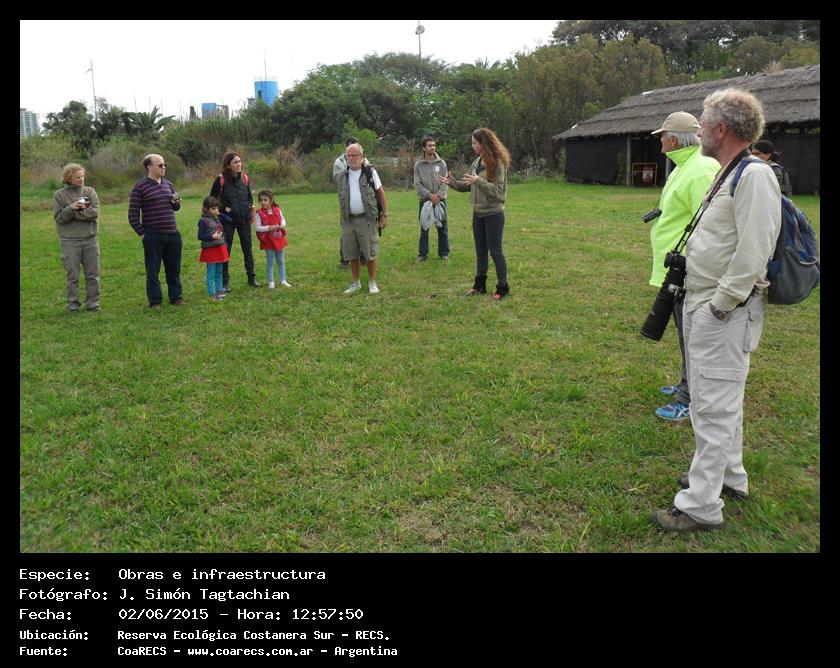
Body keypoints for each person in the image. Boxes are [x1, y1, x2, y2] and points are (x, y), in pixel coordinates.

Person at [652, 88, 781, 532]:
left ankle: (700, 505)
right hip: (708, 301)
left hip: (723, 310)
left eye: (703, 124)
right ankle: (729, 476)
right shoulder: (731, 171)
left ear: (721, 129)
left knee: (712, 407)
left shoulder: (754, 176)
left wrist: (720, 306)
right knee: (722, 400)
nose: (699, 131)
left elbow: (755, 251)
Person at [648, 112, 720, 422]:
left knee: (692, 337)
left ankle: (689, 400)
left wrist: (691, 265)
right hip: (678, 268)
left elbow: (709, 224)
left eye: (662, 136)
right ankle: (685, 384)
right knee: (684, 333)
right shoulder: (687, 165)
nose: (660, 142)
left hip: (690, 270)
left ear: (674, 139)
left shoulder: (701, 169)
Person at [440, 127, 510, 299]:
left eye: (474, 143)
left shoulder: (497, 164)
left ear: (483, 143)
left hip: (494, 214)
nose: (472, 146)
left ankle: (502, 287)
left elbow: (498, 192)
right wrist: (451, 182)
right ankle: (479, 286)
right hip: (477, 214)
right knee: (480, 252)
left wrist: (479, 181)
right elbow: (467, 186)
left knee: (496, 251)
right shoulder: (477, 162)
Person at [128, 154, 184, 309]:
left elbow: (175, 208)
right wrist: (143, 234)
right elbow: (132, 215)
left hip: (172, 233)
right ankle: (155, 301)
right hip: (153, 234)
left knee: (174, 268)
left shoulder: (168, 184)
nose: (163, 167)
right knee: (153, 270)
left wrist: (176, 203)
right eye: (160, 165)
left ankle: (176, 297)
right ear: (149, 167)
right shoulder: (139, 187)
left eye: (164, 165)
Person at [336, 143, 388, 294]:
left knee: (370, 252)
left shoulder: (370, 173)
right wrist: (341, 216)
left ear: (362, 157)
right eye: (348, 156)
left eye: (354, 155)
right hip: (349, 220)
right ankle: (356, 283)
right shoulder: (343, 176)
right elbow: (342, 198)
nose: (351, 158)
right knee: (352, 253)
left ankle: (372, 282)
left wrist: (384, 215)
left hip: (367, 220)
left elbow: (381, 193)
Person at [52, 163, 101, 312]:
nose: (81, 179)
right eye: (77, 177)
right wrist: (70, 208)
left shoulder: (90, 192)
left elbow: (94, 212)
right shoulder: (59, 195)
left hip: (90, 239)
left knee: (93, 275)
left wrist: (75, 214)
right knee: (72, 275)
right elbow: (59, 218)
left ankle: (93, 303)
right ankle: (72, 305)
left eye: (82, 176)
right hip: (69, 241)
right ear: (68, 178)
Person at [209, 152, 260, 290]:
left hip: (244, 220)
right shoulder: (220, 180)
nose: (239, 164)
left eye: (240, 161)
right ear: (228, 165)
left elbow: (249, 197)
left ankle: (251, 278)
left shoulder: (245, 178)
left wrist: (248, 207)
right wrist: (226, 209)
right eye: (235, 162)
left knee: (248, 249)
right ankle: (225, 282)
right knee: (226, 251)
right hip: (227, 221)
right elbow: (212, 199)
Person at [333, 136, 370, 268]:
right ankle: (344, 259)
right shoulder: (339, 161)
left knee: (364, 233)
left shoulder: (365, 160)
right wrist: (349, 171)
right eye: (350, 149)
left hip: (363, 200)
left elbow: (369, 176)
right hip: (346, 199)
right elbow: (337, 179)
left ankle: (363, 257)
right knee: (346, 234)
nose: (353, 155)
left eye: (356, 149)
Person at [414, 135, 450, 262]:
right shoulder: (418, 165)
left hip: (440, 199)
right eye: (429, 145)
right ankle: (422, 254)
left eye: (434, 145)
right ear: (424, 148)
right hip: (425, 200)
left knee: (442, 228)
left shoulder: (442, 163)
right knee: (424, 228)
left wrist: (438, 196)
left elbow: (446, 182)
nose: (432, 147)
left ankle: (444, 253)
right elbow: (417, 184)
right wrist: (430, 195)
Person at [254, 189, 292, 289]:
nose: (263, 202)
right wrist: (268, 228)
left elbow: (283, 219)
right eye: (261, 200)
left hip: (278, 239)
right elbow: (257, 228)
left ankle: (283, 280)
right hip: (268, 241)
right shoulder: (259, 213)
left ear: (271, 200)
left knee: (281, 260)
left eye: (265, 200)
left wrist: (282, 225)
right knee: (270, 262)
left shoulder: (277, 209)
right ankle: (271, 282)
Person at [197, 196, 230, 302]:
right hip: (211, 250)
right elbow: (200, 236)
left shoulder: (217, 218)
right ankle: (212, 293)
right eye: (213, 209)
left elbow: (230, 220)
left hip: (220, 248)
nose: (216, 210)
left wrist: (220, 214)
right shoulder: (203, 221)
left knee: (219, 272)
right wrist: (212, 236)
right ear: (206, 209)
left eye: (217, 208)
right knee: (211, 273)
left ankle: (220, 291)